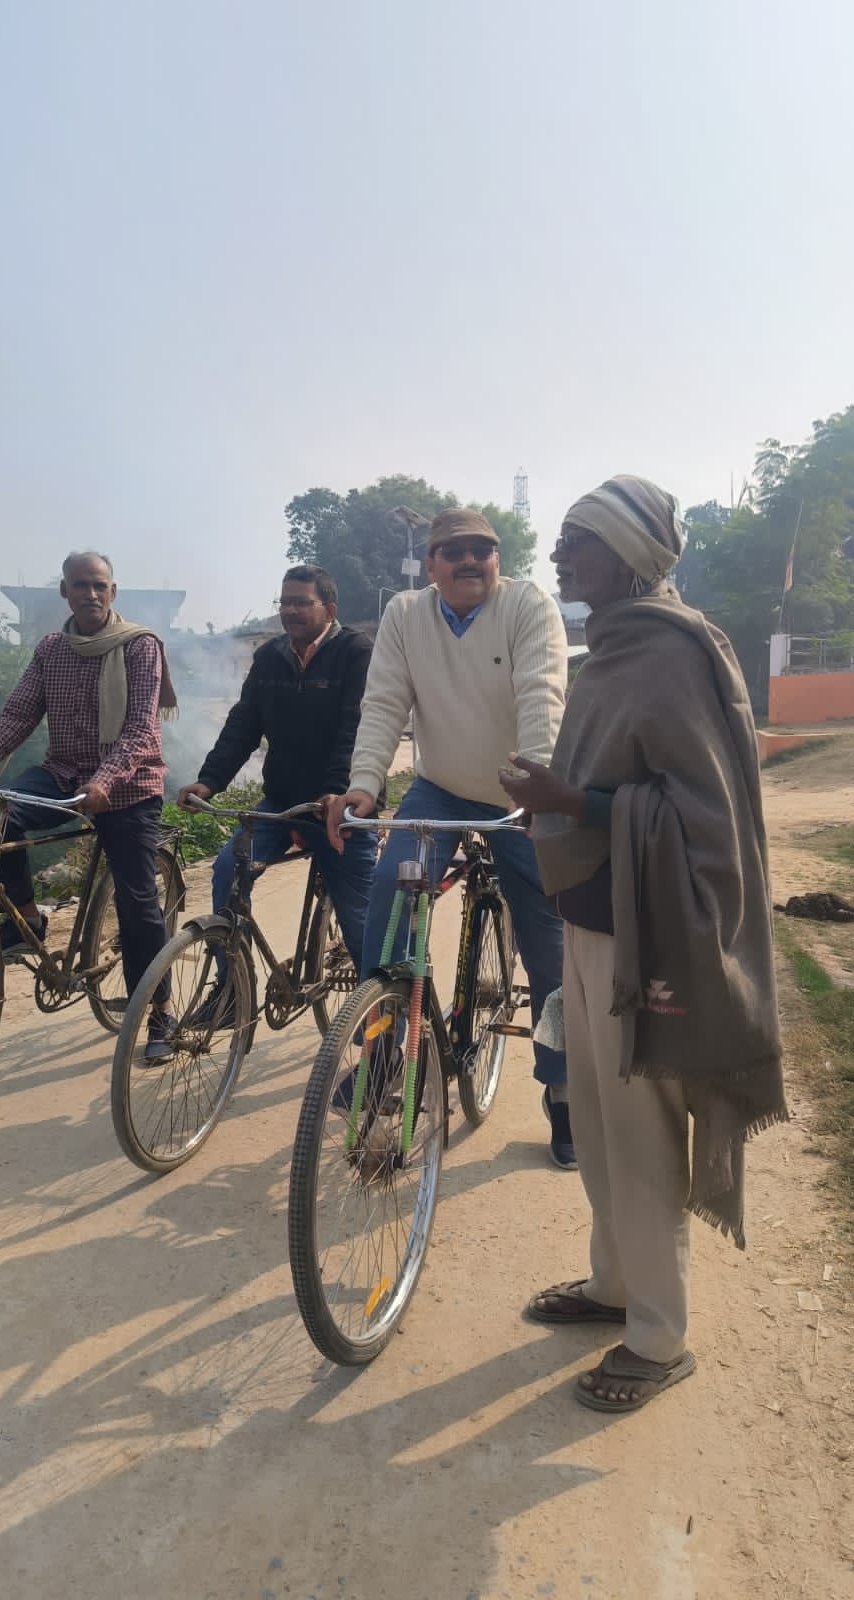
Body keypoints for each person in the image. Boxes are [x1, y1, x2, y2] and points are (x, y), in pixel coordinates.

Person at [499, 474, 787, 1412]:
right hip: (589, 923)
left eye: (577, 539)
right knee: (596, 1121)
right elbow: (617, 781)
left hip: (648, 934)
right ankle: (614, 1285)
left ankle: (660, 1339)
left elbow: (701, 814)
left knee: (643, 1136)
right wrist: (557, 800)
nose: (558, 554)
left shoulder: (671, 650)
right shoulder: (610, 648)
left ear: (628, 555)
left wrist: (572, 801)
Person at [327, 508, 575, 1167]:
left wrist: (535, 785)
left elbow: (541, 696)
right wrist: (364, 785)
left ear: (498, 559)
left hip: (517, 790)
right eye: (453, 551)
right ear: (431, 564)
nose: (469, 560)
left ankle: (564, 1087)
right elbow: (385, 702)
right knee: (390, 891)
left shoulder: (527, 606)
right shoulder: (406, 614)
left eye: (481, 550)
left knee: (549, 943)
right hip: (438, 786)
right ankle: (385, 1057)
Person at [0, 551, 179, 1062]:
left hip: (129, 786)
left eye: (100, 585)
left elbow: (142, 728)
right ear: (65, 592)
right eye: (81, 585)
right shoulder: (51, 648)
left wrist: (106, 777)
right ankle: (28, 918)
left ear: (113, 592)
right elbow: (18, 715)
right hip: (63, 774)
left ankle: (160, 1009)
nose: (91, 594)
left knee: (137, 901)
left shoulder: (140, 645)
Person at [178, 565, 377, 1017]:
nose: (290, 611)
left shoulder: (356, 652)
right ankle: (232, 994)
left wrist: (335, 791)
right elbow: (243, 724)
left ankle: (382, 1027)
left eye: (301, 602)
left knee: (362, 922)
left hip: (343, 807)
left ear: (329, 609)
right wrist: (210, 781)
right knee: (228, 870)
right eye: (284, 602)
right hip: (281, 804)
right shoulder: (270, 657)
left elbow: (358, 728)